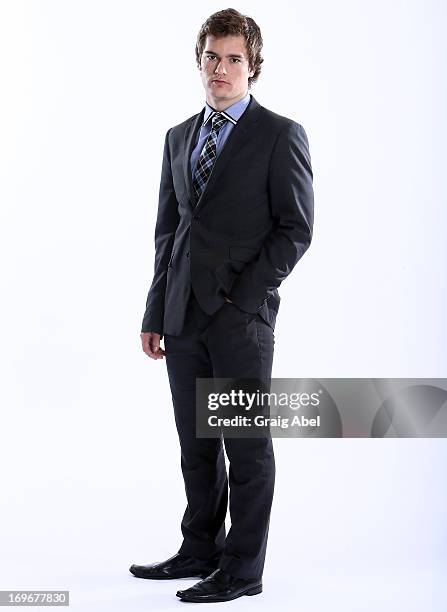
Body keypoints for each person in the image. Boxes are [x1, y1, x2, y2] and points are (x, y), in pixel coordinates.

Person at [129, 7, 314, 603]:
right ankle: (199, 549)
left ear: (253, 66)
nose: (221, 68)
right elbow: (168, 233)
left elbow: (295, 229)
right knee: (196, 444)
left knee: (246, 446)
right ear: (199, 60)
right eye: (212, 56)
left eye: (234, 58)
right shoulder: (179, 137)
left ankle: (242, 569)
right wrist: (156, 312)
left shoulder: (280, 134)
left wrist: (242, 296)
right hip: (182, 317)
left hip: (241, 320)